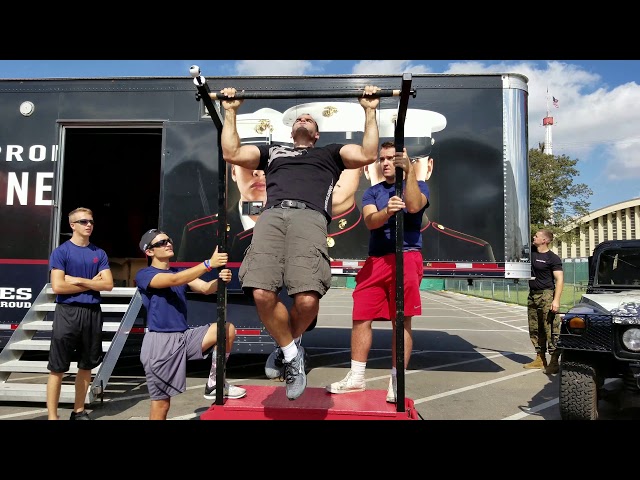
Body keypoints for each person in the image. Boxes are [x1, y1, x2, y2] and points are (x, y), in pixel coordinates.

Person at [219, 84, 381, 400]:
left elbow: (367, 154)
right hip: (273, 215)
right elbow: (232, 153)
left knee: (307, 301)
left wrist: (370, 110)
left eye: (310, 119)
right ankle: (293, 354)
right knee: (262, 293)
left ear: (316, 134)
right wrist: (230, 111)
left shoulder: (330, 153)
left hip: (310, 217)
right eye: (300, 118)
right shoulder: (274, 151)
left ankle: (285, 349)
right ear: (293, 130)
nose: (304, 119)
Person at [325, 142, 430, 403]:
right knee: (360, 314)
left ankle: (397, 381)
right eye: (381, 159)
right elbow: (371, 221)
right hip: (376, 260)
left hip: (406, 256)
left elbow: (415, 206)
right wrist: (387, 212)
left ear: (402, 160)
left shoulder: (419, 185)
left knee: (401, 319)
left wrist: (410, 176)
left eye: (390, 159)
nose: (385, 163)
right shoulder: (372, 192)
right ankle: (357, 376)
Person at [135, 228, 246, 420]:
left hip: (183, 337)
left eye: (168, 240)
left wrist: (221, 281)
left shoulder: (180, 272)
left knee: (226, 329)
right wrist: (209, 264)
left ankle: (214, 382)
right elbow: (174, 280)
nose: (168, 244)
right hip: (160, 344)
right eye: (161, 243)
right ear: (149, 251)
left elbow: (205, 288)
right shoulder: (145, 275)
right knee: (162, 404)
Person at [46, 207, 115, 420]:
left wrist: (78, 280)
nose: (89, 225)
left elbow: (109, 284)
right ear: (72, 225)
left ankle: (78, 411)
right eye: (84, 221)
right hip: (67, 311)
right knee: (58, 367)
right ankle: (52, 416)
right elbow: (58, 287)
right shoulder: (61, 252)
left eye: (91, 222)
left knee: (87, 365)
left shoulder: (99, 253)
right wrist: (94, 283)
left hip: (92, 312)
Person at [524, 228, 564, 374]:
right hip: (532, 295)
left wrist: (556, 300)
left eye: (537, 236)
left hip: (546, 296)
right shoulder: (531, 253)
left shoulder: (552, 258)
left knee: (551, 329)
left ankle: (554, 362)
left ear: (545, 240)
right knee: (535, 328)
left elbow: (559, 280)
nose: (534, 237)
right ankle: (540, 359)